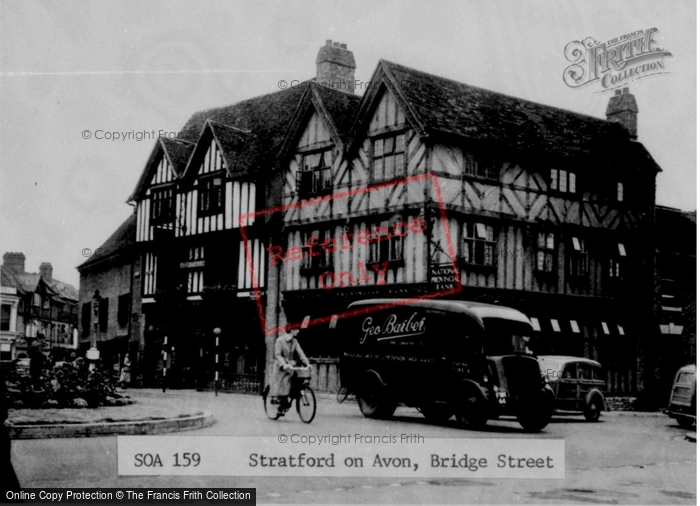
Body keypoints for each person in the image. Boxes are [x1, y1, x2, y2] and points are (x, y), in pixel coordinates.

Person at [270, 327, 310, 416]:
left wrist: (307, 363)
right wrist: (284, 364)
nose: (298, 331)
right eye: (297, 329)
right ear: (291, 330)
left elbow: (301, 353)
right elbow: (277, 355)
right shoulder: (280, 340)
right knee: (283, 383)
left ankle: (290, 398)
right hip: (281, 367)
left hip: (291, 366)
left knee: (296, 381)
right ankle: (279, 406)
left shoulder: (294, 341)